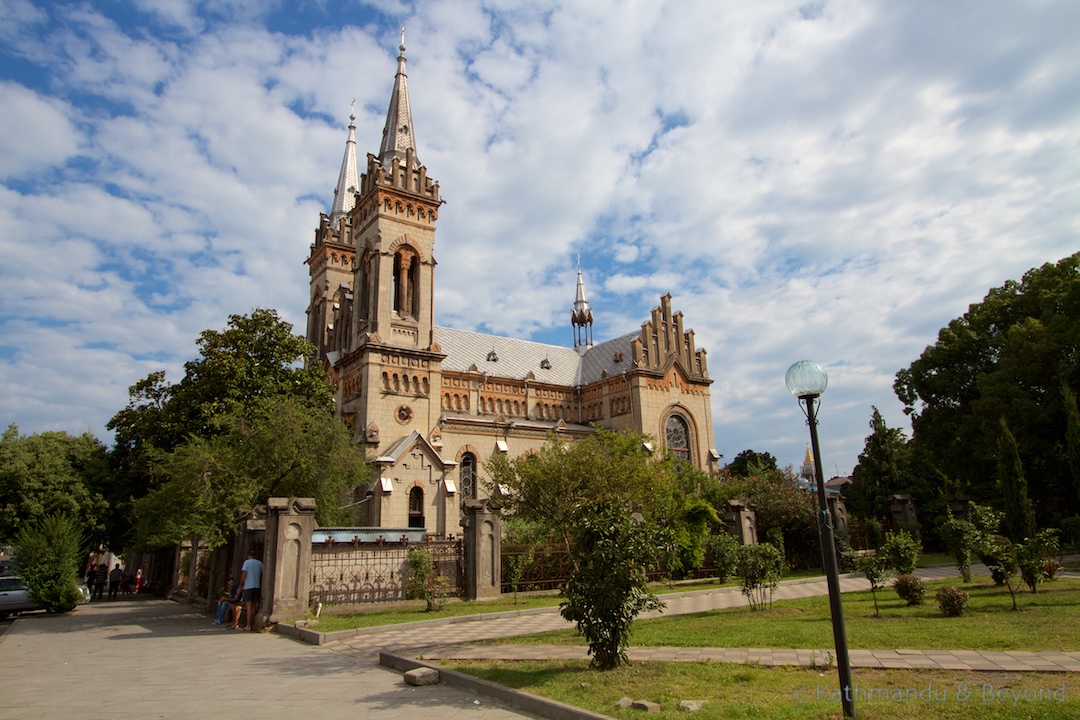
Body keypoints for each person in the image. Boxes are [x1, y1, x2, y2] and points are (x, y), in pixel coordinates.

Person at [236, 550, 263, 631]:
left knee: (248, 607)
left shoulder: (247, 562)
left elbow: (244, 573)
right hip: (256, 586)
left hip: (248, 586)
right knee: (254, 606)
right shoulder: (259, 563)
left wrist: (240, 585)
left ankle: (248, 625)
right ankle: (251, 623)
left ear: (248, 555)